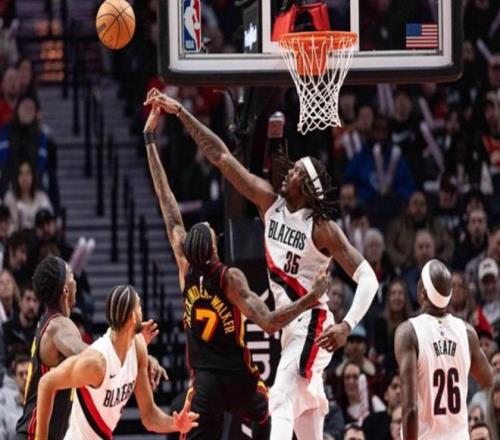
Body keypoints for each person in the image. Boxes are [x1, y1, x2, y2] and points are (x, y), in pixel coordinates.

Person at [145, 86, 379, 440]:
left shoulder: (322, 228)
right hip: (290, 330)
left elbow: (368, 278)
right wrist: (181, 113)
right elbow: (221, 157)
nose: (287, 172)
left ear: (307, 188)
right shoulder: (269, 202)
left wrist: (347, 325)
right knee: (306, 424)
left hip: (313, 325)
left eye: (295, 172)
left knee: (279, 400)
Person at [15, 256, 164, 439]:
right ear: (66, 290)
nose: (76, 282)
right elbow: (93, 356)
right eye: (72, 276)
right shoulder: (60, 326)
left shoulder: (50, 322)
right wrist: (134, 351)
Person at [35, 285, 198, 439]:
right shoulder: (97, 363)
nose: (142, 311)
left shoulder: (138, 348)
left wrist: (175, 424)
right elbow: (46, 383)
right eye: (139, 306)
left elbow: (149, 417)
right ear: (133, 317)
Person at [395, 259, 493, 440]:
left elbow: (410, 409)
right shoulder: (467, 332)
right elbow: (487, 379)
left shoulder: (408, 332)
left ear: (422, 293)